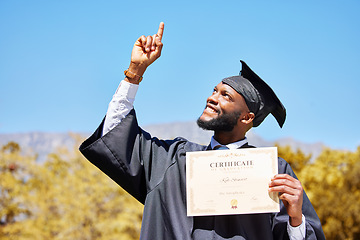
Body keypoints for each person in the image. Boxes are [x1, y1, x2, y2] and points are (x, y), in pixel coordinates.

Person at [79, 22, 325, 240]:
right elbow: (114, 134)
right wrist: (135, 72)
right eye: (214, 90)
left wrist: (295, 218)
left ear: (247, 117)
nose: (211, 98)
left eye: (225, 95)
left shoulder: (272, 172)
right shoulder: (173, 160)